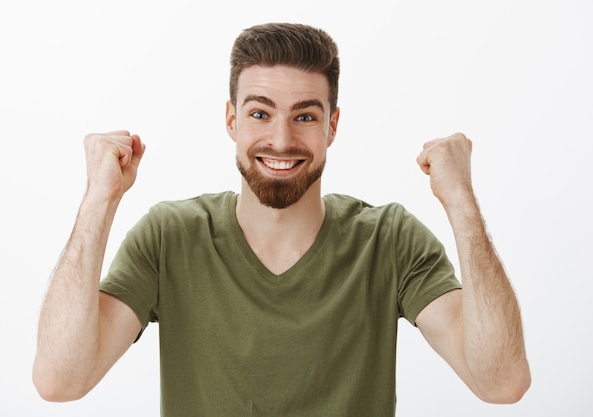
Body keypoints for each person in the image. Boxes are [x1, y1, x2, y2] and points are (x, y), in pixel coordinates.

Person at [32, 22, 531, 416]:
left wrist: (461, 202)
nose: (282, 139)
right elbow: (60, 380)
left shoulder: (390, 242)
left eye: (306, 116)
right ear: (231, 120)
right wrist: (100, 199)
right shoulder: (170, 237)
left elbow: (502, 382)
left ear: (332, 126)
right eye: (260, 113)